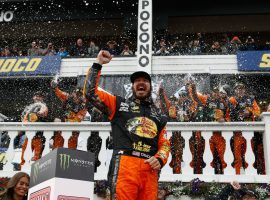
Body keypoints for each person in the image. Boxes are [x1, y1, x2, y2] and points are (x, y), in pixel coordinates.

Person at [83, 50, 170, 200]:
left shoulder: (159, 115)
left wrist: (161, 158)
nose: (141, 83)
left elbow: (165, 143)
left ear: (150, 86)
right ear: (132, 86)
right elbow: (90, 93)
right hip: (125, 165)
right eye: (137, 81)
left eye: (145, 81)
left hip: (150, 170)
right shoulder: (119, 103)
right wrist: (98, 64)